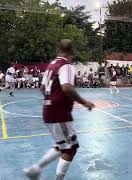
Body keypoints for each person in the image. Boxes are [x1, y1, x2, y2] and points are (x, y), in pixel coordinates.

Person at [23, 39, 95, 180]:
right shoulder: (66, 66)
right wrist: (84, 102)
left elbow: (43, 88)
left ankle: (35, 169)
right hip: (59, 113)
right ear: (72, 50)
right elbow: (67, 88)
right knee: (70, 148)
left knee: (62, 145)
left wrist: (51, 101)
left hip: (49, 111)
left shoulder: (51, 65)